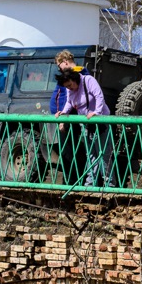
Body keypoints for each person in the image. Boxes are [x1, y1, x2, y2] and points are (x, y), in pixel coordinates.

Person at [54, 68, 113, 187]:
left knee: (104, 153)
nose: (69, 88)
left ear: (74, 79)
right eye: (67, 87)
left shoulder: (88, 81)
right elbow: (69, 102)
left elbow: (99, 96)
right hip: (86, 123)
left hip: (100, 121)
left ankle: (109, 184)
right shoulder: (70, 88)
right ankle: (90, 184)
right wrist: (64, 113)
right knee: (91, 154)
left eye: (70, 85)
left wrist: (97, 112)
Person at [50, 50, 87, 184]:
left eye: (59, 66)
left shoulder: (77, 73)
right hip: (65, 117)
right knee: (67, 150)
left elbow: (69, 98)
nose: (59, 69)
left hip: (69, 118)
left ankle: (71, 182)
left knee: (68, 151)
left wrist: (65, 118)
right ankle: (70, 181)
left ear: (64, 62)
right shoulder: (69, 75)